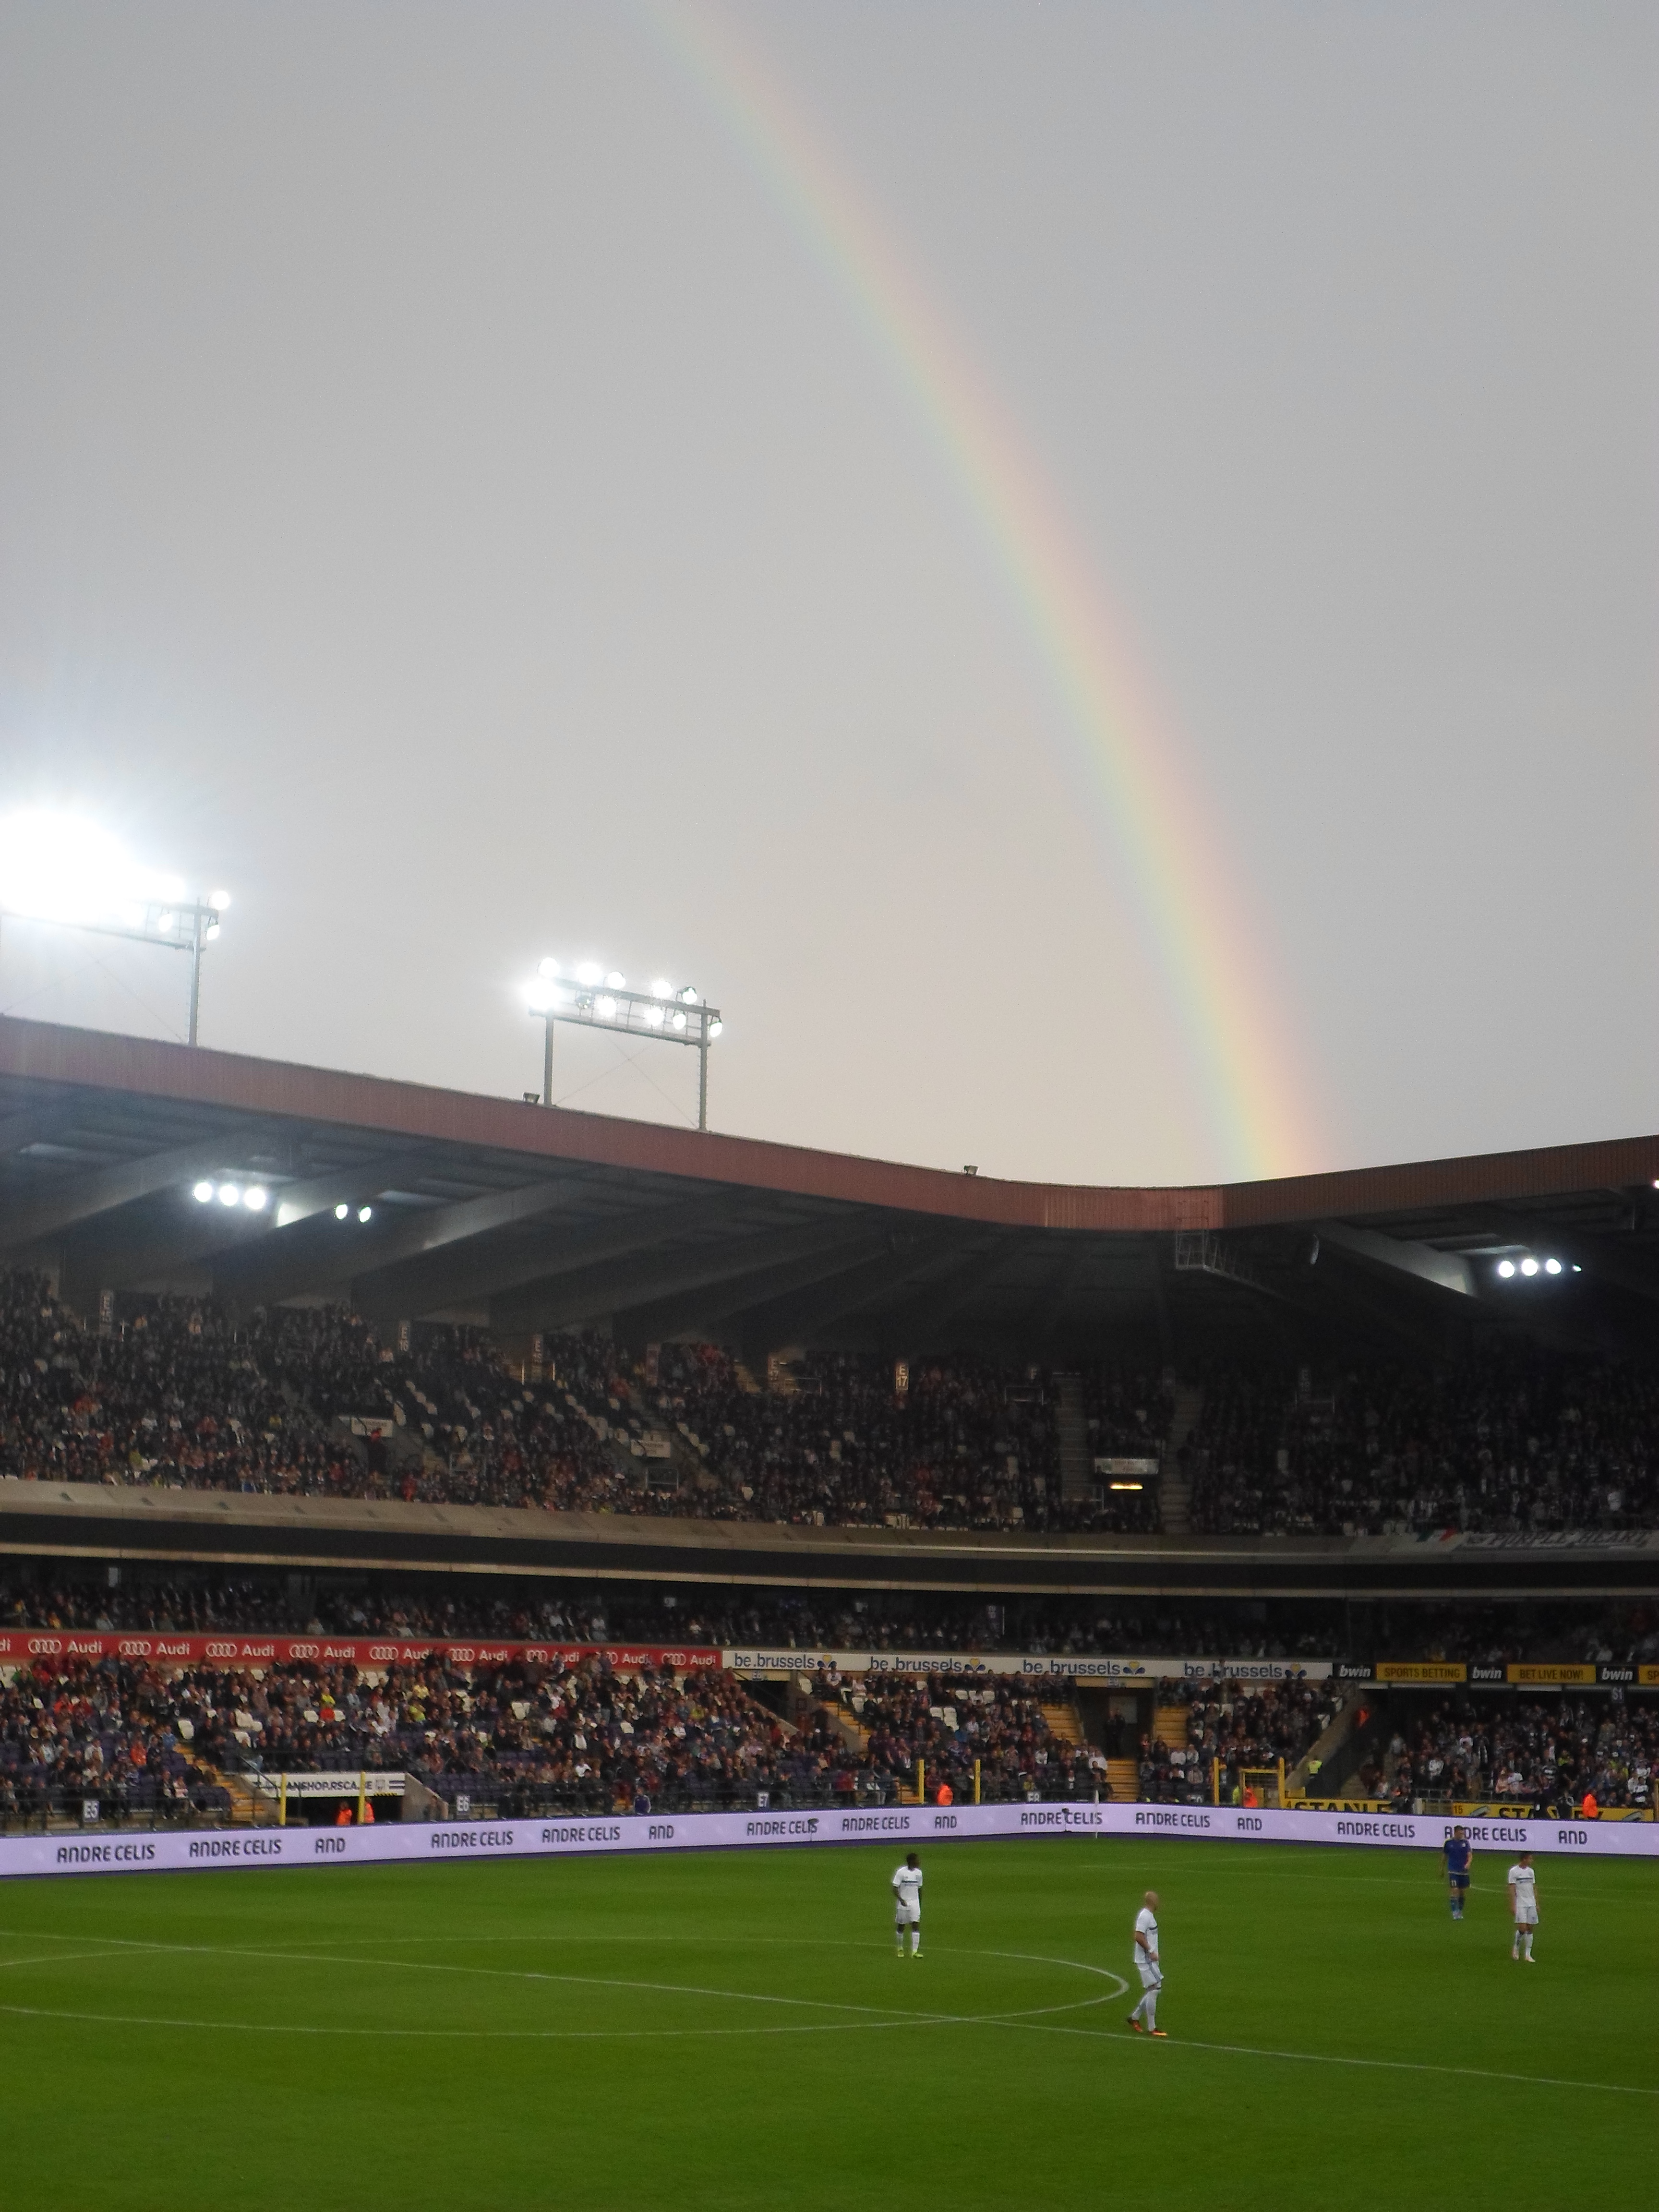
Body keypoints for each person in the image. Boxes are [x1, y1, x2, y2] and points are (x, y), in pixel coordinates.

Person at [1127, 1889, 1166, 2036]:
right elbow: (1138, 1936)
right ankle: (1152, 2028)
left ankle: (1134, 2017)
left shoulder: (1149, 1916)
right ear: (1153, 1901)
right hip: (1146, 1960)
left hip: (1149, 1959)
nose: (1159, 1902)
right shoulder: (1145, 1916)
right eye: (1158, 1900)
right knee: (1155, 1989)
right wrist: (1151, 1951)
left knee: (1153, 1989)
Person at [1507, 1851, 1539, 1963]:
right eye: (1530, 1859)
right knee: (1522, 1928)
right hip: (1521, 1903)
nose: (1532, 1861)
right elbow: (1512, 1888)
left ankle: (1528, 1954)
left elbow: (1534, 1887)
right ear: (1524, 1859)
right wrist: (1513, 1904)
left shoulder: (1531, 1872)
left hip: (1531, 1903)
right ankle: (1516, 1947)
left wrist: (1537, 1903)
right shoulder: (1514, 1871)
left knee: (1530, 1928)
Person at [892, 1852, 923, 1959]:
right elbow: (895, 1888)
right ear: (912, 1861)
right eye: (917, 1860)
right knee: (902, 1926)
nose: (919, 1862)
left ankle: (915, 1951)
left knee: (916, 1924)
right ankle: (900, 1948)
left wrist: (919, 1903)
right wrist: (901, 1900)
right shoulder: (901, 1872)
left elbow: (920, 1888)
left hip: (915, 1902)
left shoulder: (919, 1873)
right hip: (904, 1902)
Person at [1441, 1825, 1473, 1920]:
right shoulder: (1449, 1843)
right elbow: (1444, 1856)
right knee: (1455, 1890)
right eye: (1460, 1833)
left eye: (1463, 1834)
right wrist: (1441, 1868)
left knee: (1462, 1892)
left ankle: (1460, 1910)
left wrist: (1468, 1864)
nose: (1462, 1835)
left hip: (1464, 1871)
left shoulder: (1465, 1843)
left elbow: (1470, 1855)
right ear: (1455, 1833)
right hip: (1453, 1870)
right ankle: (1455, 1912)